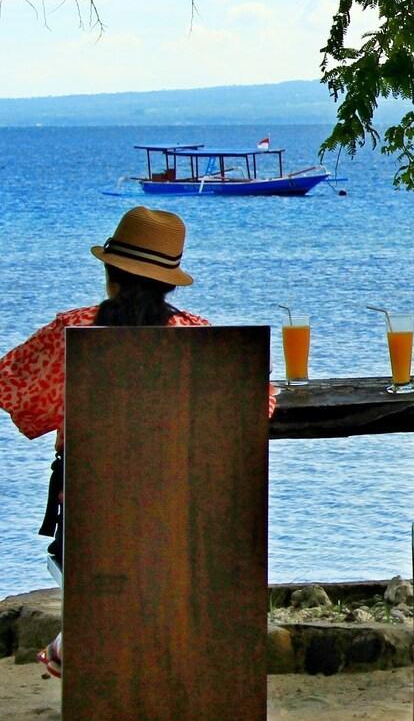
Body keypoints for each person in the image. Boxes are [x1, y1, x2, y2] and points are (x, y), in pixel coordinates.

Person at [0, 207, 274, 679]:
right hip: (185, 522)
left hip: (94, 521)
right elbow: (254, 408)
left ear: (109, 274)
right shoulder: (201, 339)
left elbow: (12, 390)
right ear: (169, 282)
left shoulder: (71, 333)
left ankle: (76, 652)